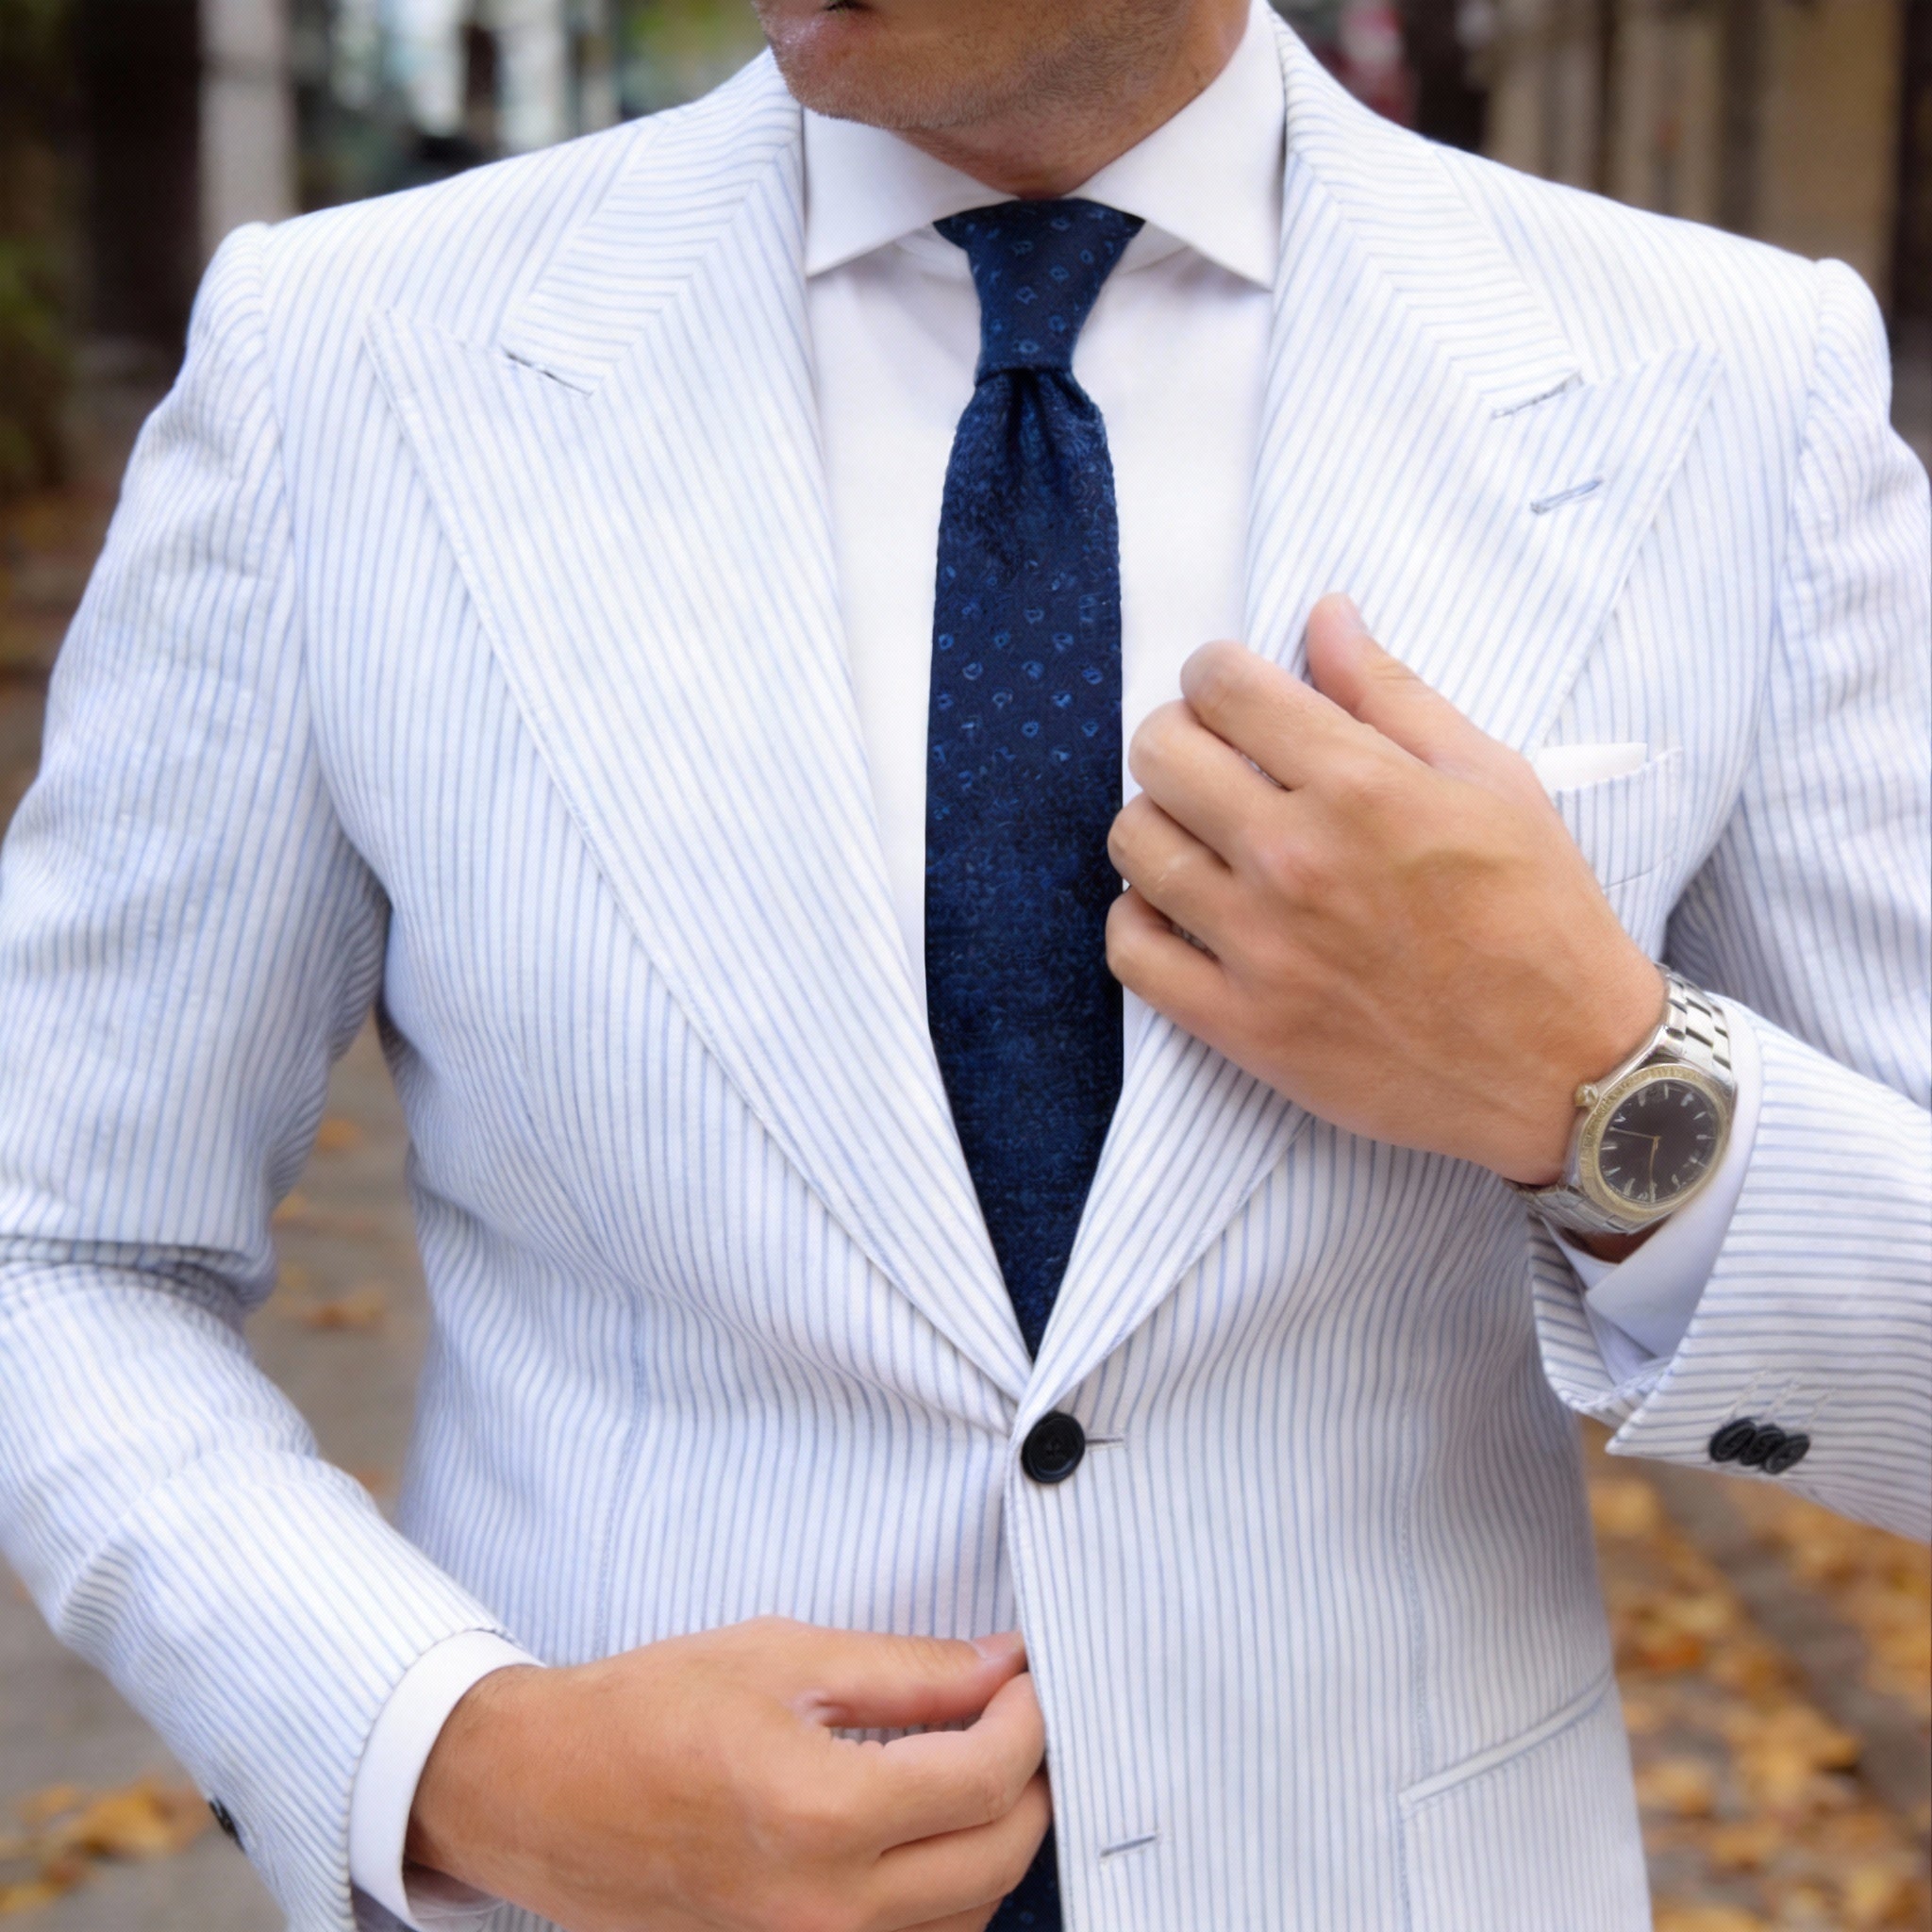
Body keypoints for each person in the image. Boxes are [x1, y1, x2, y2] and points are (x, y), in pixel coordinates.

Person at [0, 0, 1924, 1926]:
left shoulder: (1730, 387)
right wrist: (453, 1757)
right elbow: (59, 1244)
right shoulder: (342, 362)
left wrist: (1605, 1084)